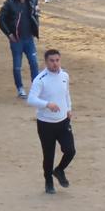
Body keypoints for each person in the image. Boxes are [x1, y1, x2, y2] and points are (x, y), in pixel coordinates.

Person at [27, 49, 75, 194]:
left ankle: (59, 170)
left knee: (70, 150)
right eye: (52, 61)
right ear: (46, 62)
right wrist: (47, 104)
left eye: (57, 60)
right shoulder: (40, 79)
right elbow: (31, 99)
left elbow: (66, 93)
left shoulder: (65, 75)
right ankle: (48, 181)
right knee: (49, 155)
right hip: (45, 124)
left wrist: (69, 109)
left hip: (63, 121)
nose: (55, 64)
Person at [0, 0, 40, 98]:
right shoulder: (9, 3)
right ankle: (20, 88)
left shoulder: (30, 0)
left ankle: (36, 87)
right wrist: (9, 34)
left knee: (34, 63)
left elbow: (34, 16)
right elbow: (0, 19)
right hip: (17, 39)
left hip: (29, 38)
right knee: (17, 66)